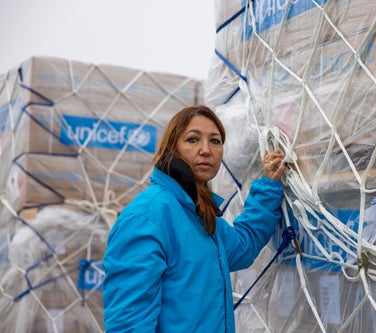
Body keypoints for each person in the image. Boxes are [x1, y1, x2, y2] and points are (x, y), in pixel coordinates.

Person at [102, 105, 287, 332]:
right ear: (172, 148)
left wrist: (268, 186)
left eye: (215, 141)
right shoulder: (147, 216)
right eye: (193, 139)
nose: (206, 150)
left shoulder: (201, 218)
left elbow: (243, 246)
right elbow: (129, 324)